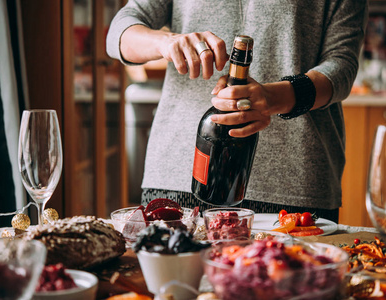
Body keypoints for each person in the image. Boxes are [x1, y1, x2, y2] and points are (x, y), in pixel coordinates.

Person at [107, 0, 368, 223]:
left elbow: (342, 64)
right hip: (178, 173)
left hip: (293, 182)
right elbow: (119, 32)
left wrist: (272, 97)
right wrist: (167, 42)